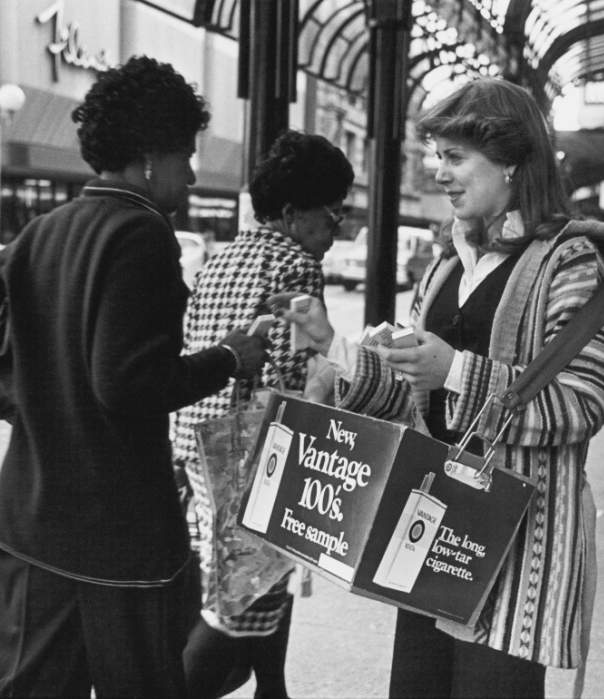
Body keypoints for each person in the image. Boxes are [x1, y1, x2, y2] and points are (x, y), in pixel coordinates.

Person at [274, 77, 604, 699]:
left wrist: (456, 371)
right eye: (438, 155)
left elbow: (581, 404)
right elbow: (414, 395)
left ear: (514, 163)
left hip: (520, 548)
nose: (439, 172)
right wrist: (334, 346)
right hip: (431, 536)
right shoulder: (444, 264)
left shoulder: (569, 262)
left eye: (455, 156)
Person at [0, 55, 266, 698]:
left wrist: (23, 404)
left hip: (31, 522)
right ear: (149, 156)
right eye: (185, 155)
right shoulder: (143, 232)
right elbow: (127, 384)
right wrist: (231, 356)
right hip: (119, 537)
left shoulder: (42, 230)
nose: (193, 175)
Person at [172, 129, 354, 699]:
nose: (336, 230)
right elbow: (290, 380)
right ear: (295, 212)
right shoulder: (296, 264)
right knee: (241, 597)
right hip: (255, 452)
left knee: (258, 584)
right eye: (332, 215)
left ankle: (272, 690)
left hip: (198, 444)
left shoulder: (220, 258)